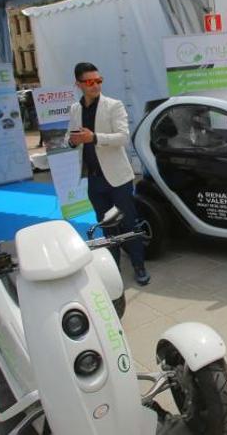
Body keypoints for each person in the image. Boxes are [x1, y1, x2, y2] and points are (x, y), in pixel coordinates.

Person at [65, 62, 149, 285]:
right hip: (94, 178)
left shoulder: (114, 105)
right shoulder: (75, 109)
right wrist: (73, 140)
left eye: (99, 81)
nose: (96, 85)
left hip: (118, 178)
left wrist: (94, 137)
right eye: (90, 82)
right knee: (106, 225)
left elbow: (123, 137)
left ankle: (139, 265)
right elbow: (69, 137)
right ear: (79, 84)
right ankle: (113, 268)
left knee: (129, 223)